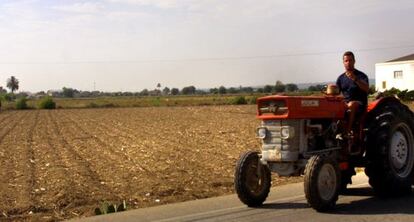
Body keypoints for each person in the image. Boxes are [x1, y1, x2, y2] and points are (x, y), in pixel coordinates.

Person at [336, 51, 369, 134]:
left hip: (359, 105)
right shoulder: (340, 78)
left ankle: (347, 133)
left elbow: (366, 89)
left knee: (351, 104)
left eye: (350, 60)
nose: (348, 63)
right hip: (345, 104)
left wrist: (355, 79)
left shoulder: (361, 76)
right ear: (343, 62)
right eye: (346, 61)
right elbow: (336, 93)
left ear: (354, 61)